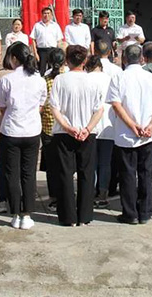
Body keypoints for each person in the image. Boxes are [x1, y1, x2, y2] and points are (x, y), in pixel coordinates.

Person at [107, 44, 152, 225]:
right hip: (148, 134)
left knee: (127, 174)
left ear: (124, 59)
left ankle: (130, 213)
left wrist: (131, 125)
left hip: (125, 134)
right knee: (146, 173)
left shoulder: (119, 78)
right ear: (142, 59)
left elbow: (116, 105)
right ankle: (145, 212)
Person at [0, 42, 47, 230]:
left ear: (14, 58)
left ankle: (16, 213)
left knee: (12, 173)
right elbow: (41, 105)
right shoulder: (39, 80)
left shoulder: (6, 80)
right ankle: (27, 214)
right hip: (32, 130)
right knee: (28, 173)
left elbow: (1, 106)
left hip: (11, 131)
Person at [50, 45, 104, 226]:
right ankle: (85, 216)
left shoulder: (60, 80)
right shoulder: (93, 81)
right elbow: (99, 110)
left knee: (65, 174)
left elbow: (54, 108)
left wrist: (67, 127)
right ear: (84, 60)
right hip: (87, 132)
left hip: (64, 132)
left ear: (67, 60)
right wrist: (87, 128)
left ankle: (68, 217)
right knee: (86, 173)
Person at [85, 47, 121, 208]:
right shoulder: (110, 79)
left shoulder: (86, 79)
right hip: (108, 125)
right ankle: (103, 193)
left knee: (91, 162)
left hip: (90, 125)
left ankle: (90, 191)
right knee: (105, 163)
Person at [0, 43, 16, 214]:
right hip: (22, 128)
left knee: (3, 163)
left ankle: (2, 199)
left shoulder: (0, 75)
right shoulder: (31, 76)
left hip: (2, 125)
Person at [40, 48, 66, 211]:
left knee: (51, 166)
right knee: (65, 165)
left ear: (49, 62)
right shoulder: (68, 79)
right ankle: (66, 195)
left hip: (48, 128)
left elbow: (41, 105)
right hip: (66, 128)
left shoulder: (44, 80)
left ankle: (54, 198)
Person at [30, 7, 65, 76]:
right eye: (45, 13)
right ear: (42, 14)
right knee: (41, 70)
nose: (46, 15)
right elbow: (33, 39)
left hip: (52, 50)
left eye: (48, 13)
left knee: (52, 69)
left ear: (51, 15)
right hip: (41, 51)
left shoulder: (55, 26)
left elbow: (59, 40)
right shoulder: (37, 25)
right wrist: (35, 53)